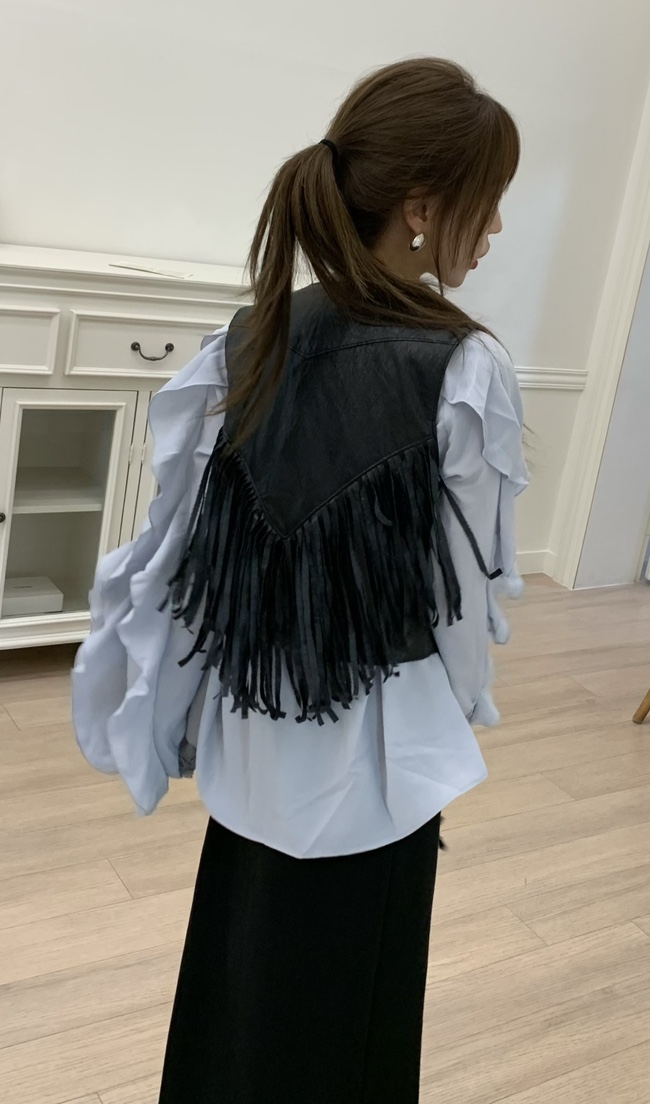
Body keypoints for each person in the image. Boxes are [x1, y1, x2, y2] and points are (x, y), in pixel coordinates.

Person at [72, 56, 528, 1104]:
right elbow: (461, 595)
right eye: (489, 201)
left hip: (251, 732)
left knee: (241, 981)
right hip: (375, 754)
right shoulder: (464, 367)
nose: (496, 228)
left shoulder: (248, 337)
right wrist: (462, 709)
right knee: (345, 1011)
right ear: (423, 209)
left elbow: (178, 553)